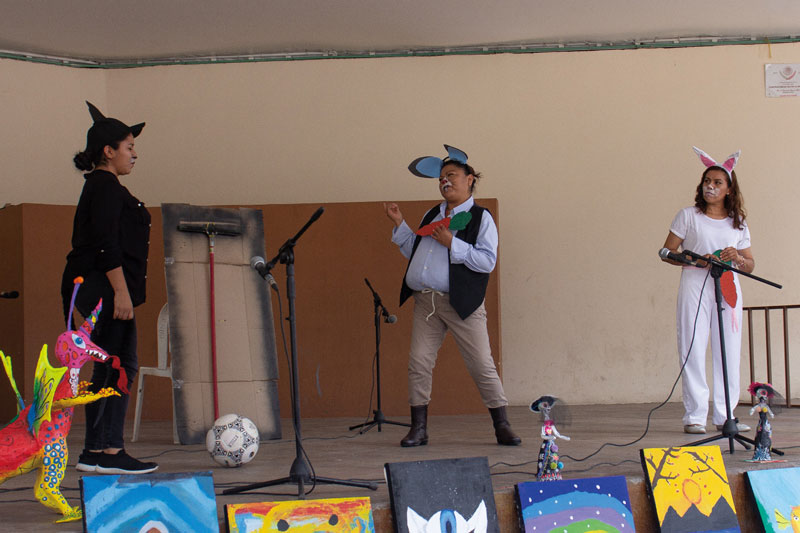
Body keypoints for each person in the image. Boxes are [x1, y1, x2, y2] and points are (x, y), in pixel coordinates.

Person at [384, 144, 520, 447]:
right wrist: (400, 224)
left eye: (452, 175)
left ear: (469, 178)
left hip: (463, 304)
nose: (445, 181)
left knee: (481, 364)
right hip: (426, 303)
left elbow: (487, 261)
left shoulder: (480, 217)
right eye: (442, 177)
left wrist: (451, 243)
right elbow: (415, 251)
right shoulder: (433, 213)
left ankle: (502, 425)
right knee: (418, 362)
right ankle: (419, 428)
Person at [61, 101, 157, 474]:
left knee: (107, 367)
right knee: (120, 364)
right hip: (103, 287)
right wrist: (120, 291)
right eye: (129, 147)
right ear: (108, 151)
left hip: (97, 286)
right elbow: (105, 243)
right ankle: (110, 452)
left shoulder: (103, 187)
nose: (134, 154)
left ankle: (96, 452)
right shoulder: (105, 187)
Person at [660, 146, 754, 435]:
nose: (710, 186)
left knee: (728, 350)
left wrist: (736, 258)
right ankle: (695, 415)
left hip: (727, 286)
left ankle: (726, 416)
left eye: (717, 183)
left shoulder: (737, 223)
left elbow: (750, 264)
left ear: (729, 189)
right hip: (694, 283)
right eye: (707, 182)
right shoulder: (688, 216)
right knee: (693, 345)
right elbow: (666, 251)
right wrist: (696, 258)